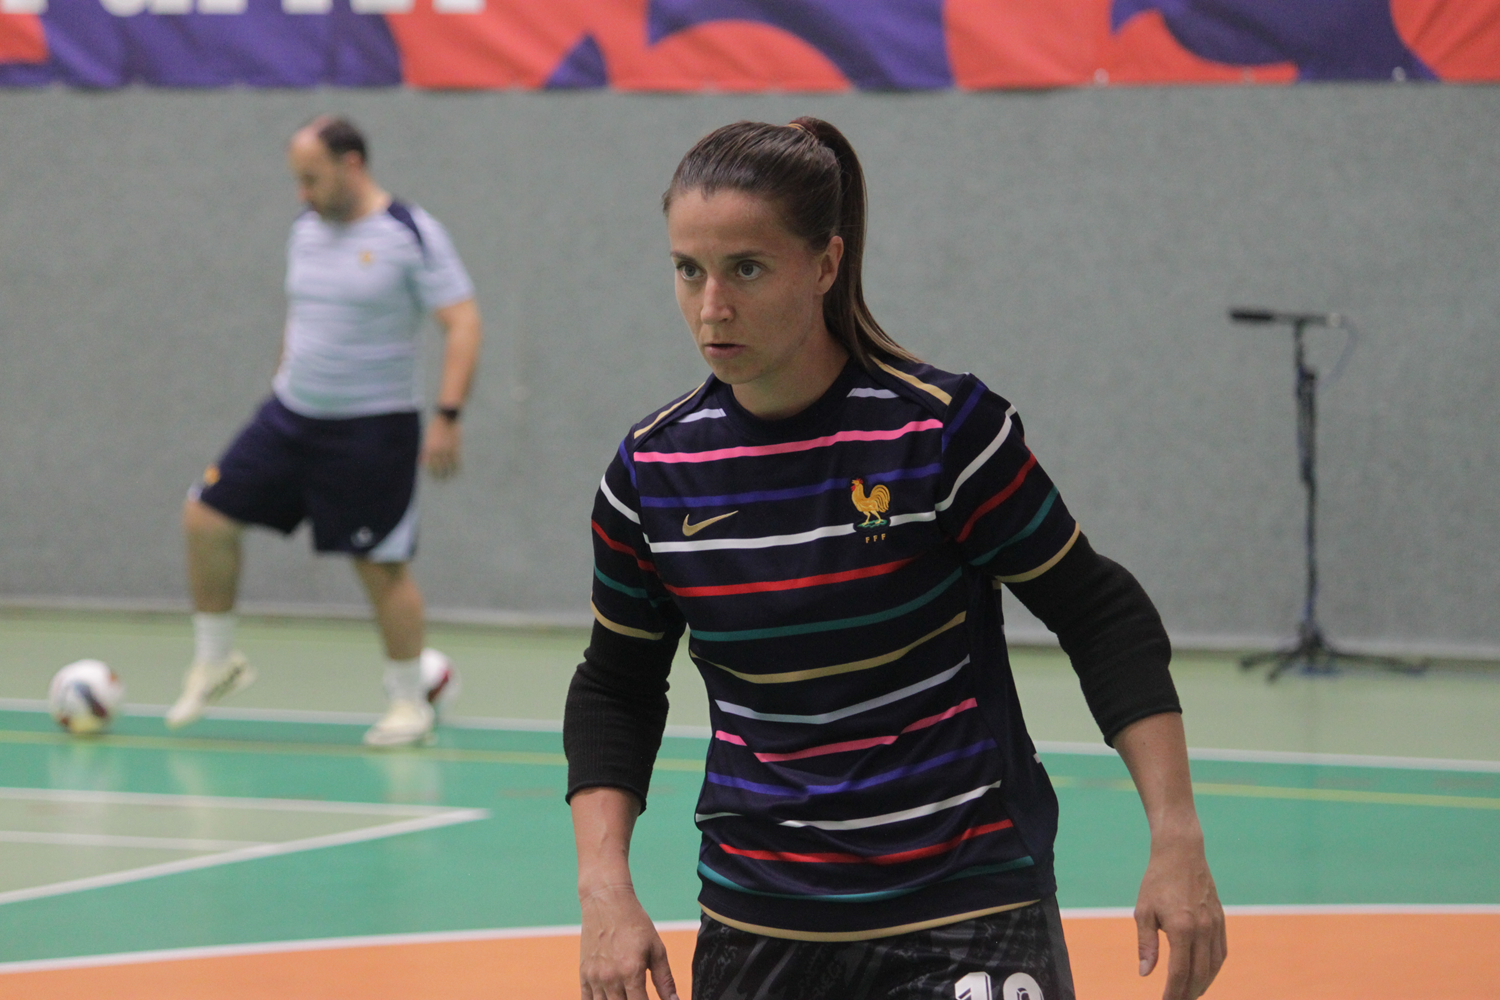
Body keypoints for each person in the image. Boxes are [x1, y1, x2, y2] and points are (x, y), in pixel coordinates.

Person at [564, 118, 1226, 1000]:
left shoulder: (939, 434)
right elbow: (616, 685)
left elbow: (1100, 613)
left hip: (963, 912)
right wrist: (604, 887)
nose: (711, 306)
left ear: (827, 265)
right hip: (761, 920)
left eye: (746, 269)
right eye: (689, 270)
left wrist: (1176, 836)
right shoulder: (651, 475)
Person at [169, 116, 482, 748]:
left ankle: (407, 704)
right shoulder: (305, 231)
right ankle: (217, 658)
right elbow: (304, 312)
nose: (302, 193)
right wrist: (285, 372)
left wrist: (448, 416)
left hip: (373, 427)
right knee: (205, 517)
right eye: (297, 180)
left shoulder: (408, 233)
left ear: (352, 164)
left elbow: (463, 321)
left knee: (379, 564)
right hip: (290, 416)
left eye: (311, 178)